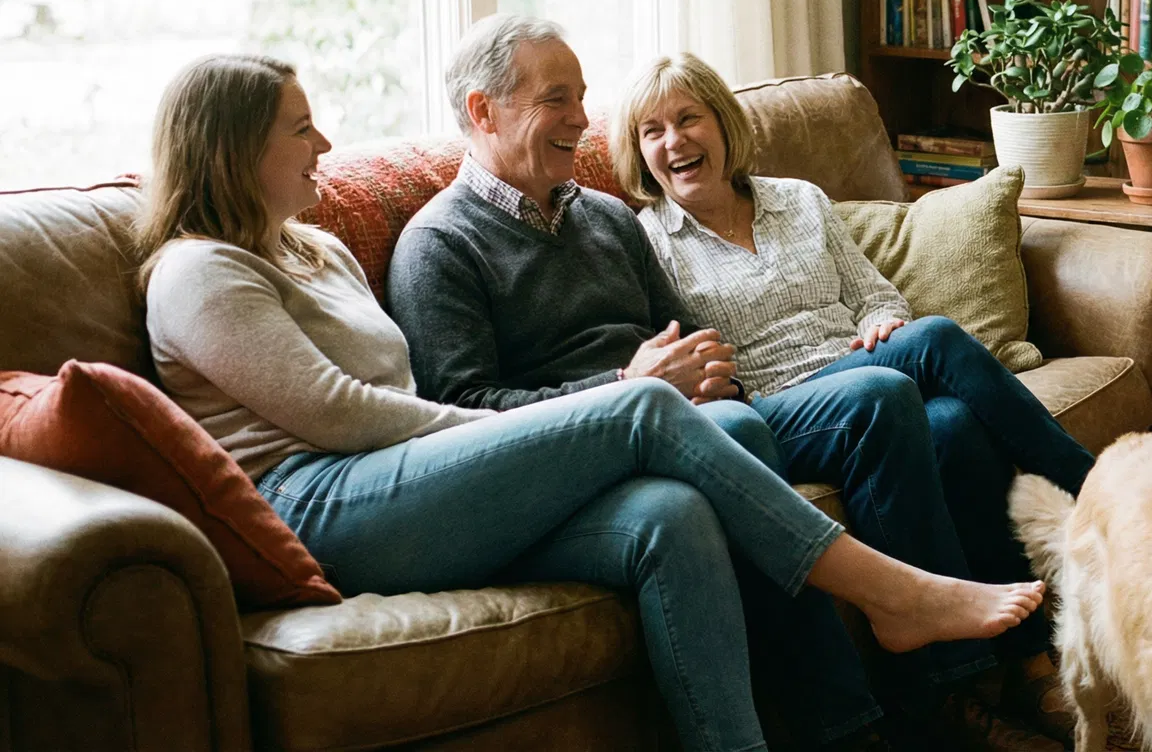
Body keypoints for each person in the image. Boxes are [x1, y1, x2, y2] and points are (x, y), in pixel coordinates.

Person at [140, 52, 1043, 752]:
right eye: (302, 129)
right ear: (233, 144)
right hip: (324, 500)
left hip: (416, 481)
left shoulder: (317, 250)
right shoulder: (197, 272)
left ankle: (831, 734)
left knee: (670, 515)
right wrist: (539, 431)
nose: (324, 147)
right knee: (645, 411)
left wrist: (540, 441)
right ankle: (899, 595)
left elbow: (404, 390)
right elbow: (344, 413)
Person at [609, 51, 1100, 744]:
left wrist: (876, 324)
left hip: (866, 383)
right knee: (930, 344)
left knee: (954, 423)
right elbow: (685, 370)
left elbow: (873, 296)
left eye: (688, 118)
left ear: (722, 121)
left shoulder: (798, 200)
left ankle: (1010, 669)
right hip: (772, 412)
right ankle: (1106, 496)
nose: (675, 141)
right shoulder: (646, 244)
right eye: (651, 131)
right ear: (639, 154)